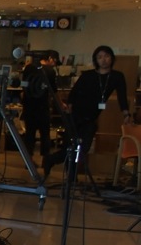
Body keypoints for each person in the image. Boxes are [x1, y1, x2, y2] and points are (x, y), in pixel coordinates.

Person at [45, 45, 131, 177]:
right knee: (70, 147)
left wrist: (126, 113)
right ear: (96, 60)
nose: (103, 60)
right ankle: (70, 177)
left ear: (112, 58)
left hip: (91, 117)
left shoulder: (117, 76)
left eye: (106, 56)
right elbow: (74, 92)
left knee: (83, 148)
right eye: (100, 57)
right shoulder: (88, 75)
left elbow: (122, 96)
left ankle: (52, 160)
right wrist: (69, 106)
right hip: (75, 114)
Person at [21, 50, 58, 163]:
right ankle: (45, 160)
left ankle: (28, 160)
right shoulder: (50, 71)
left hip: (29, 105)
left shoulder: (28, 68)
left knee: (29, 134)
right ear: (50, 58)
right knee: (45, 134)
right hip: (42, 106)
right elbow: (53, 91)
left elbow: (24, 85)